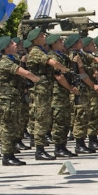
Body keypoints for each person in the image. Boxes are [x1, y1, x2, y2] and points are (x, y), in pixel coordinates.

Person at [25, 28, 69, 160]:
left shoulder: (41, 50)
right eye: (41, 35)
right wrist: (66, 69)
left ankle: (42, 148)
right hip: (40, 91)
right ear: (34, 39)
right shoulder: (35, 52)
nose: (44, 37)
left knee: (46, 119)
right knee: (41, 120)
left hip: (45, 90)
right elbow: (53, 63)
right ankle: (39, 150)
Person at [0, 36, 40, 166]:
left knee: (14, 126)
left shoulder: (13, 59)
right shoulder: (5, 61)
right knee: (7, 127)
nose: (15, 45)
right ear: (6, 48)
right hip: (7, 99)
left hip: (15, 98)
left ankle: (11, 152)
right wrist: (36, 79)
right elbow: (22, 72)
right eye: (11, 44)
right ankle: (7, 155)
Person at [45, 34, 79, 158]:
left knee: (65, 121)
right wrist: (70, 88)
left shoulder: (61, 56)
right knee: (59, 122)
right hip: (57, 94)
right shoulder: (53, 57)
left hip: (63, 93)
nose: (62, 42)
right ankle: (58, 148)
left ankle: (63, 146)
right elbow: (58, 76)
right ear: (54, 44)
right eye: (59, 41)